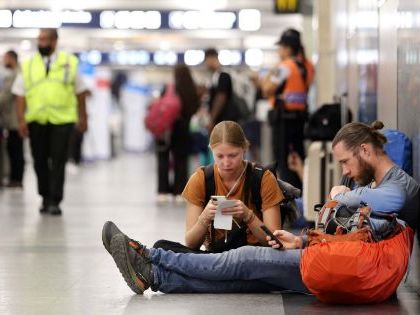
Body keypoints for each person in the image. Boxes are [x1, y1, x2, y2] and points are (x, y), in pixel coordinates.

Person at [103, 120, 419, 294]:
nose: (345, 172)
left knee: (245, 258)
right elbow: (350, 237)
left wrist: (341, 196)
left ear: (364, 150)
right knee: (247, 278)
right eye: (220, 157)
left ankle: (148, 256)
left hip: (357, 270)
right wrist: (301, 240)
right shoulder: (369, 185)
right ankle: (154, 276)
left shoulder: (398, 185)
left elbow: (393, 202)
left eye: (346, 162)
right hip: (342, 261)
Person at [153, 120, 283, 253]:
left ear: (245, 148)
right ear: (211, 151)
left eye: (233, 155)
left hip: (254, 256)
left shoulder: (263, 178)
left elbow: (274, 241)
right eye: (219, 156)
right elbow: (191, 244)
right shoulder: (201, 179)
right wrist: (204, 218)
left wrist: (248, 216)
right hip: (216, 258)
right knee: (161, 246)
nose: (226, 163)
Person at [12, 28, 88, 215]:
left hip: (63, 121)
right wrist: (21, 120)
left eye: (44, 39)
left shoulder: (69, 63)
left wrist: (83, 117)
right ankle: (44, 196)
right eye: (39, 39)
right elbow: (20, 95)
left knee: (58, 160)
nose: (41, 43)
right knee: (39, 161)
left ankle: (55, 200)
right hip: (37, 120)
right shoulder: (28, 64)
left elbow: (80, 92)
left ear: (54, 41)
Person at [262, 28, 314, 190]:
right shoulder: (308, 66)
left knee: (283, 162)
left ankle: (286, 195)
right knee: (298, 157)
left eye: (280, 47)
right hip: (300, 119)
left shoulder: (284, 66)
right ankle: (302, 192)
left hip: (283, 121)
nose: (279, 51)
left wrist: (270, 72)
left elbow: (267, 90)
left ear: (288, 48)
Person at [156, 64, 200, 204]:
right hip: (183, 129)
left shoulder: (169, 88)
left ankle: (163, 192)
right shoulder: (191, 89)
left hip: (167, 129)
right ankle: (179, 191)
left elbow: (160, 106)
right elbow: (195, 108)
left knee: (163, 159)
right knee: (181, 161)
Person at [0, 50, 24, 188]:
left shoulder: (15, 75)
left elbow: (5, 96)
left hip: (14, 120)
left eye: (5, 58)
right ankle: (16, 178)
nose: (4, 61)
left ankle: (16, 179)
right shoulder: (17, 74)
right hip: (13, 119)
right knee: (14, 149)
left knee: (15, 150)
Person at [203, 48, 234, 131]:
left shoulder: (223, 75)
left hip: (224, 120)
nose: (206, 64)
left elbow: (221, 97)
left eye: (206, 60)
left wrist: (212, 119)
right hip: (221, 120)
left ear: (211, 58)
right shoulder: (214, 76)